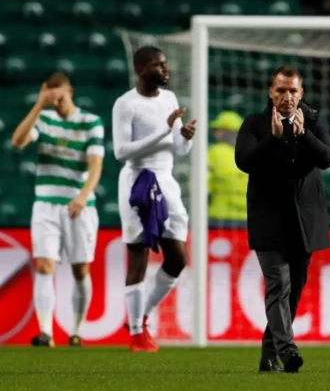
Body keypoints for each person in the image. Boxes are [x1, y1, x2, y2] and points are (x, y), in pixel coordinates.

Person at [235, 66, 330, 373]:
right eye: (281, 90)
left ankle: (269, 356)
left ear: (301, 93)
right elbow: (244, 161)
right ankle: (288, 350)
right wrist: (274, 139)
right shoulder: (255, 123)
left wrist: (304, 135)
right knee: (279, 283)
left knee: (295, 288)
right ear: (271, 92)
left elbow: (328, 158)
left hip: (305, 218)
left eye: (293, 91)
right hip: (268, 216)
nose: (287, 97)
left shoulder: (314, 121)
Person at [112, 46, 196, 353]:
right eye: (158, 65)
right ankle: (137, 334)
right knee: (139, 258)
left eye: (165, 64)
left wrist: (184, 137)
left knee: (178, 259)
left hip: (166, 180)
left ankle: (141, 316)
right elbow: (121, 152)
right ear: (141, 70)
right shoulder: (126, 104)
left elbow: (178, 148)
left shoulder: (169, 99)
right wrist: (164, 130)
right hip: (138, 180)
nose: (165, 69)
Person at [11, 73, 104, 347]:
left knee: (80, 269)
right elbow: (18, 141)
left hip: (79, 206)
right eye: (51, 96)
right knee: (44, 265)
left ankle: (77, 330)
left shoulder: (90, 122)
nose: (56, 101)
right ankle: (46, 332)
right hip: (46, 204)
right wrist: (39, 105)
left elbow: (96, 164)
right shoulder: (44, 119)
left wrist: (83, 196)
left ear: (70, 91)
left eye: (59, 95)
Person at [208, 111, 247, 225]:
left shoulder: (214, 153)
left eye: (217, 130)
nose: (215, 134)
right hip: (247, 219)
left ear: (226, 131)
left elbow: (202, 187)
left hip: (218, 218)